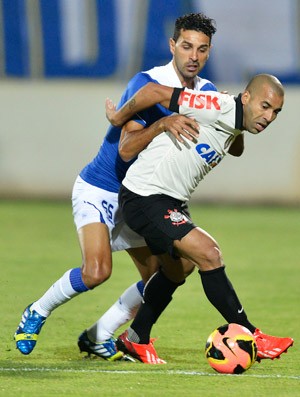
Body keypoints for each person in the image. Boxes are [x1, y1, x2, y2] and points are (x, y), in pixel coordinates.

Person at [14, 13, 218, 362]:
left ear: (208, 52)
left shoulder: (207, 93)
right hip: (103, 189)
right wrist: (163, 124)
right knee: (97, 272)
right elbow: (125, 148)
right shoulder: (148, 82)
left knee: (174, 270)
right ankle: (37, 310)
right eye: (186, 46)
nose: (193, 56)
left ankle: (100, 334)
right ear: (173, 46)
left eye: (201, 49)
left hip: (143, 197)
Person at [104, 74, 294, 364]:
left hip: (168, 200)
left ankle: (135, 339)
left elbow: (237, 149)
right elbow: (154, 91)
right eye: (265, 106)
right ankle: (252, 334)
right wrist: (118, 118)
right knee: (209, 253)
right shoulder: (215, 105)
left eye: (276, 112)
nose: (268, 117)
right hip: (145, 196)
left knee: (179, 269)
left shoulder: (233, 118)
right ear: (246, 97)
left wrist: (241, 126)